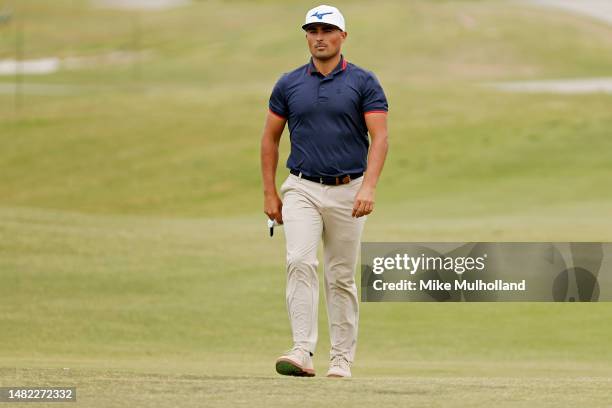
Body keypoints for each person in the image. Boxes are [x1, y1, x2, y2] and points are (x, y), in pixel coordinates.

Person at [260, 4, 389, 378]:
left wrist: (369, 186)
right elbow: (270, 140)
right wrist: (270, 194)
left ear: (342, 36)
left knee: (341, 276)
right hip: (301, 187)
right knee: (299, 261)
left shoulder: (364, 82)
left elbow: (379, 138)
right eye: (312, 31)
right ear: (307, 36)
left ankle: (341, 359)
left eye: (326, 31)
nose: (319, 38)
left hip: (349, 190)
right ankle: (302, 350)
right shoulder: (289, 83)